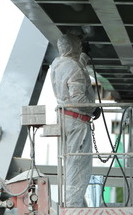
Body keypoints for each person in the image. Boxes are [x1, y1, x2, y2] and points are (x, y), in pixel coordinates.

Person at [50, 34, 100, 207]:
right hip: (77, 122)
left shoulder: (57, 64)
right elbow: (78, 99)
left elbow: (75, 71)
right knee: (78, 167)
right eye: (78, 44)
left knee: (69, 163)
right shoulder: (74, 68)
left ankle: (70, 204)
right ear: (72, 48)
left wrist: (84, 56)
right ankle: (72, 207)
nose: (79, 46)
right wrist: (94, 108)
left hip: (65, 119)